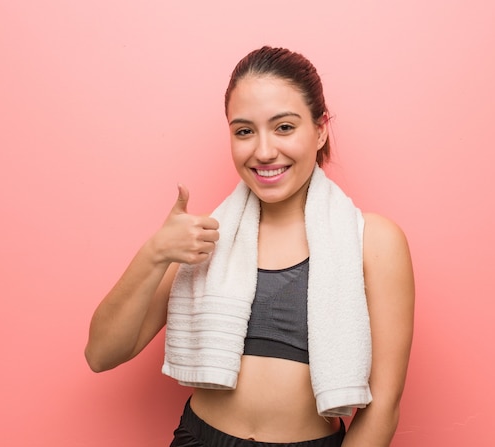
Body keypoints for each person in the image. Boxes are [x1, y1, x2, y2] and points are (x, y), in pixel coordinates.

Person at [85, 46, 415, 447]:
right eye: (244, 131)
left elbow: (383, 407)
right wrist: (156, 252)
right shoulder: (203, 238)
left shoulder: (373, 241)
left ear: (321, 128)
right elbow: (101, 355)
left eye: (284, 127)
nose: (263, 151)